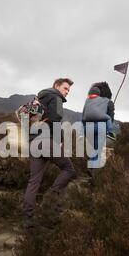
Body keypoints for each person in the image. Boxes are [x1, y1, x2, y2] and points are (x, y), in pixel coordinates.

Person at [23, 78, 77, 230]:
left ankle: (28, 220)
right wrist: (59, 141)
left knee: (33, 182)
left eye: (68, 90)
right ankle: (51, 198)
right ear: (56, 86)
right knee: (69, 169)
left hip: (34, 143)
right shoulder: (55, 97)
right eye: (65, 88)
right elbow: (56, 120)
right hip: (46, 141)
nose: (67, 92)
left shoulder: (39, 98)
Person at [82, 82, 116, 171]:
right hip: (101, 128)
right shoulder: (108, 102)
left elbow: (84, 114)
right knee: (98, 150)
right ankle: (93, 173)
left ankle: (90, 169)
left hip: (88, 127)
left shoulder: (89, 101)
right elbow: (110, 118)